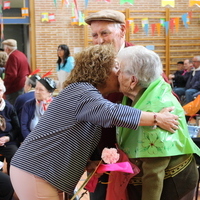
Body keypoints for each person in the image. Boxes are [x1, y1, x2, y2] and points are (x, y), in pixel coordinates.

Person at [10, 45, 178, 200]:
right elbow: (112, 113)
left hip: (37, 171)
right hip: (36, 171)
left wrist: (87, 163)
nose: (119, 73)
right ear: (101, 71)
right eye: (116, 68)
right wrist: (157, 118)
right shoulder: (83, 92)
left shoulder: (82, 91)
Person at [84, 9, 180, 200]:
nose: (99, 40)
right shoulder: (94, 62)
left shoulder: (138, 58)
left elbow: (168, 98)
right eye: (95, 35)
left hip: (133, 162)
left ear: (122, 30)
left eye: (105, 33)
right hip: (99, 156)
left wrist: (159, 116)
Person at [116, 46, 200, 200]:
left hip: (173, 185)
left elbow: (154, 172)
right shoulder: (149, 91)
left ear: (133, 80)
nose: (115, 74)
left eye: (119, 70)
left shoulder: (157, 108)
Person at [2, 39, 31, 105]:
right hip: (23, 85)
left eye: (4, 48)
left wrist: (4, 84)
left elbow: (12, 75)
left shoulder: (13, 56)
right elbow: (29, 70)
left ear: (7, 49)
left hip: (14, 87)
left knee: (13, 107)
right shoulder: (22, 54)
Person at [0, 79, 20, 174]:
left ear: (3, 92)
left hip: (8, 141)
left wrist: (8, 138)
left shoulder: (9, 108)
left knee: (14, 153)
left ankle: (11, 179)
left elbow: (17, 128)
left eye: (0, 90)